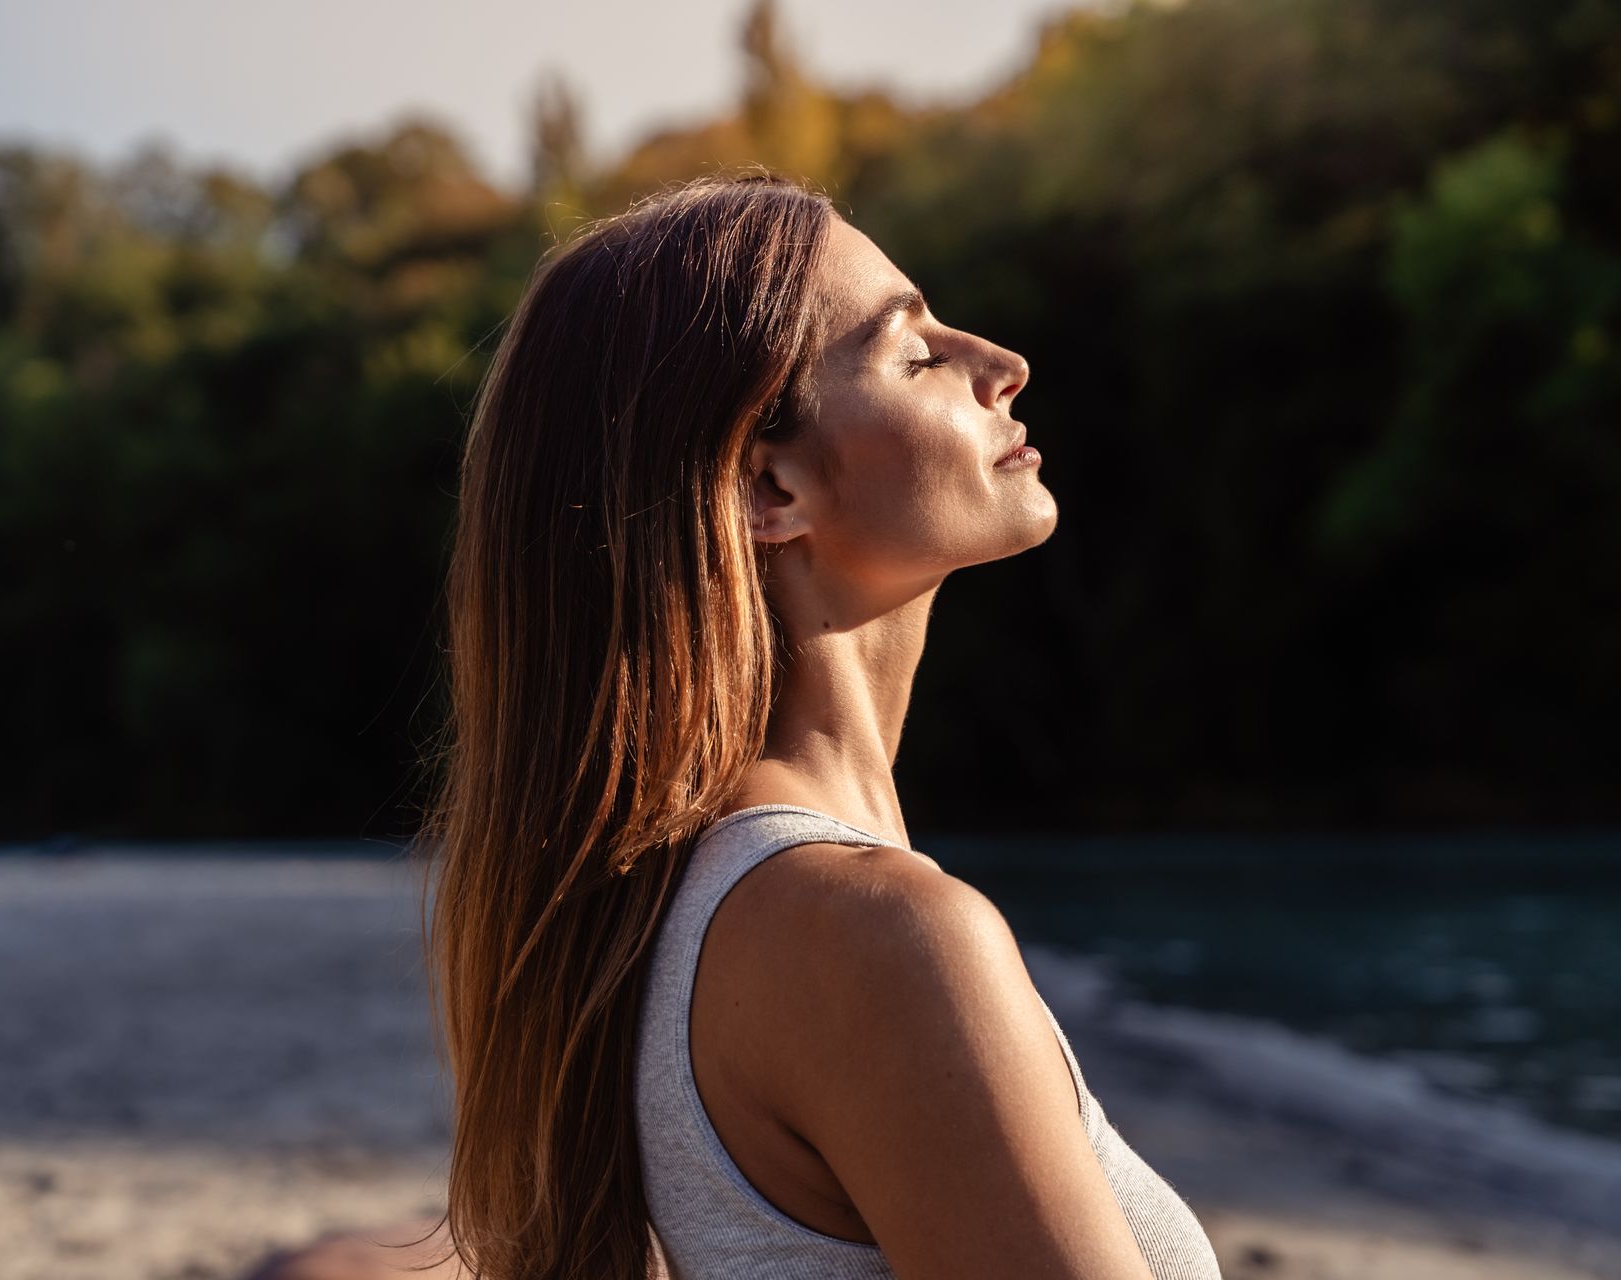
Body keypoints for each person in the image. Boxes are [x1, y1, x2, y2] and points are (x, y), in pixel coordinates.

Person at [415, 171, 1224, 1280]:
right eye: (915, 353)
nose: (1002, 363)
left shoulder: (675, 917)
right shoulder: (879, 937)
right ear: (767, 487)